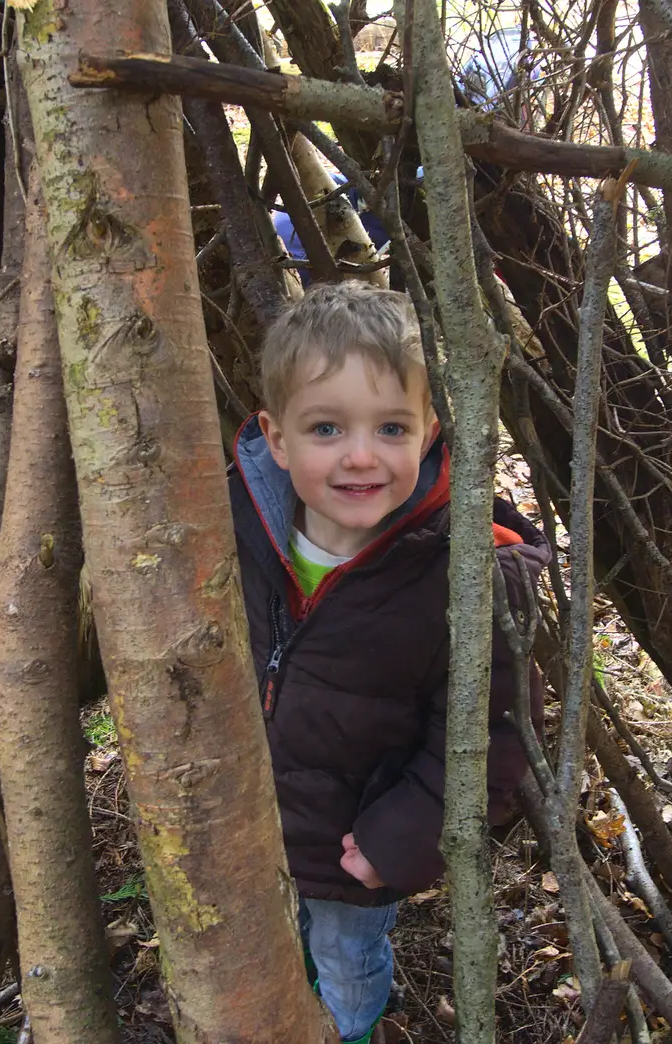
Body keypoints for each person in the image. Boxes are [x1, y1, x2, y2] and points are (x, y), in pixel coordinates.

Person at [228, 280, 548, 1042]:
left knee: (344, 959)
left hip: (350, 850)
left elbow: (495, 736)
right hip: (242, 822)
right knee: (260, 947)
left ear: (432, 430)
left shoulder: (466, 571)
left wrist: (401, 839)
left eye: (393, 428)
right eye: (328, 428)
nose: (362, 457)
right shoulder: (235, 519)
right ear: (277, 438)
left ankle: (350, 1029)